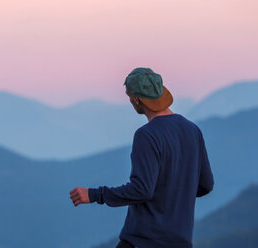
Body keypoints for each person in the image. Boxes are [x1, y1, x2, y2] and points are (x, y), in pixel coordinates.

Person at [69, 67, 214, 248]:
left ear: (136, 100)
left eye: (129, 97)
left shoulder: (147, 135)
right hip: (180, 241)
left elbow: (142, 190)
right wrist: (174, 197)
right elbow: (206, 184)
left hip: (144, 240)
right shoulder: (193, 130)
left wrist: (94, 194)